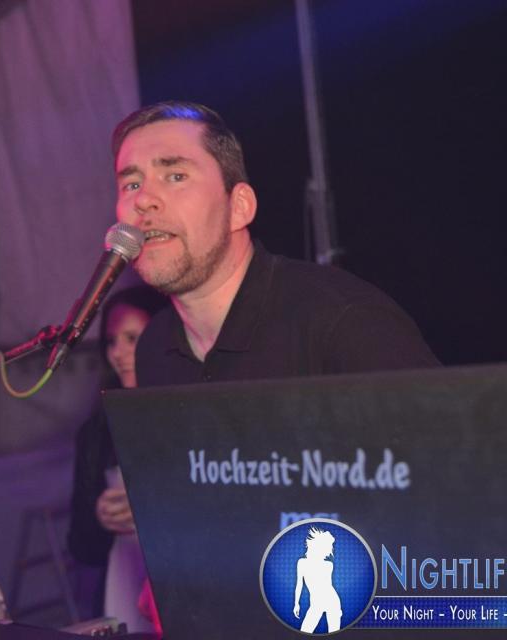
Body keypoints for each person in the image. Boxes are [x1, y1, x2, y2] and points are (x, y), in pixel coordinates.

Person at [111, 100, 439, 385]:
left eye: (176, 176)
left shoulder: (342, 322)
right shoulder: (153, 347)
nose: (144, 199)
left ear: (239, 207)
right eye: (132, 184)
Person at [67, 285, 166, 632]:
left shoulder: (188, 416)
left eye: (132, 338)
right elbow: (82, 547)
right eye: (111, 341)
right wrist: (98, 516)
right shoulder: (97, 430)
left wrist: (151, 510)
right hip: (121, 583)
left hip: (179, 585)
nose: (118, 353)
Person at [293, 527, 342, 633]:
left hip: (332, 601)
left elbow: (328, 586)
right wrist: (296, 603)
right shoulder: (302, 563)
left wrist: (338, 609)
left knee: (334, 633)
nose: (329, 550)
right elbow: (299, 584)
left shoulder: (329, 565)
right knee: (305, 631)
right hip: (316, 603)